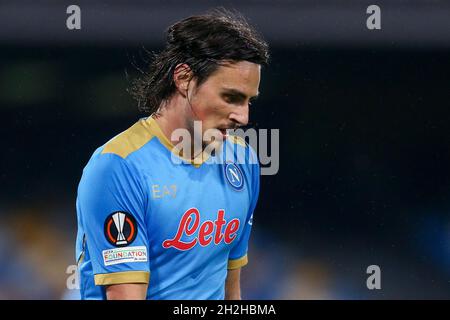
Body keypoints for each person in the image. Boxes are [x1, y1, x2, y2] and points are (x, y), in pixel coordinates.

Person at [75, 8, 269, 300]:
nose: (243, 117)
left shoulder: (243, 161)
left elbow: (230, 288)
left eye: (248, 101)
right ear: (183, 78)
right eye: (231, 97)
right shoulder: (118, 167)